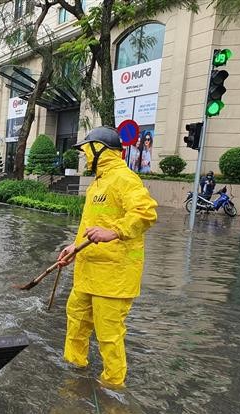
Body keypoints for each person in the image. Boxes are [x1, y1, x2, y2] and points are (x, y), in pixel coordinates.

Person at [57, 126, 158, 390]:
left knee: (108, 335)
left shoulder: (125, 179)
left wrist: (114, 232)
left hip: (114, 278)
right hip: (87, 271)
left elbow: (146, 213)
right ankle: (73, 371)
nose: (84, 155)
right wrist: (73, 248)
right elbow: (93, 226)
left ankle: (113, 388)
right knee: (76, 321)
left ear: (99, 149)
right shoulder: (97, 184)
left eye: (86, 149)